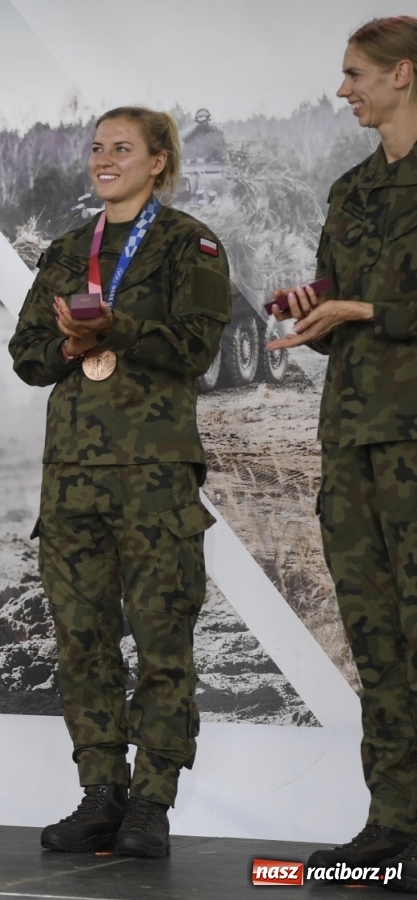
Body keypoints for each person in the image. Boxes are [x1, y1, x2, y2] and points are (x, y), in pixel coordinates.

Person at [9, 107, 230, 859]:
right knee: (83, 641)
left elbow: (197, 347)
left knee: (163, 645)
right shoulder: (68, 250)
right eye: (97, 147)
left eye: (122, 148)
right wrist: (71, 342)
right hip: (71, 481)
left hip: (154, 478)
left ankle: (152, 802)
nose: (105, 158)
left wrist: (118, 329)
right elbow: (27, 356)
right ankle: (100, 792)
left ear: (158, 162)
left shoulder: (187, 243)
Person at [266, 17, 417, 884]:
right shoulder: (351, 190)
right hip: (353, 438)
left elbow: (376, 308)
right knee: (376, 633)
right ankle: (393, 819)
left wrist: (364, 311)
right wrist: (313, 303)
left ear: (403, 74)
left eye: (356, 73)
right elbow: (339, 301)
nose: (343, 87)